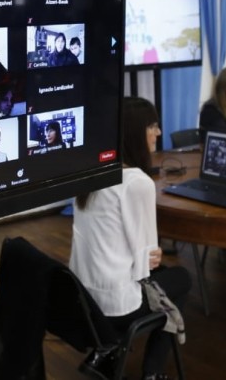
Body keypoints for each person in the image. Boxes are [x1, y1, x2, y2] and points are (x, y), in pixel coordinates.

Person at [70, 97, 191, 380]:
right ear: (137, 133)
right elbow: (145, 266)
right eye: (152, 126)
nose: (158, 133)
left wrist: (147, 254)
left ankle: (109, 349)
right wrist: (152, 254)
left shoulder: (90, 173)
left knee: (162, 274)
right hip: (117, 306)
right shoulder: (137, 183)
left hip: (83, 299)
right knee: (182, 279)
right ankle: (151, 372)